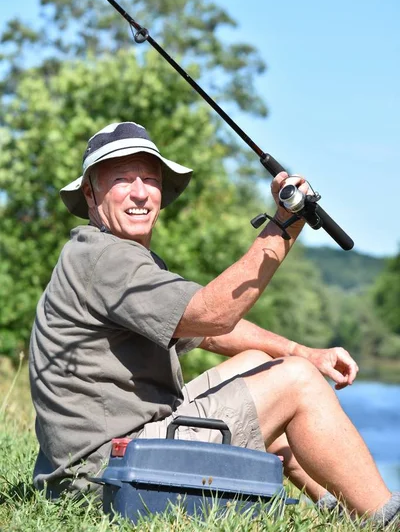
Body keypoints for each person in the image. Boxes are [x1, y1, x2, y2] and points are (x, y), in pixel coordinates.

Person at [29, 121, 399, 527]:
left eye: (150, 179)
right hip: (105, 477)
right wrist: (284, 224)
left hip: (105, 459)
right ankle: (385, 517)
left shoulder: (109, 255)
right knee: (297, 382)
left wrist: (302, 351)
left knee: (262, 363)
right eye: (121, 179)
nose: (140, 192)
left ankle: (333, 505)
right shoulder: (106, 259)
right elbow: (213, 312)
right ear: (90, 193)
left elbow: (204, 329)